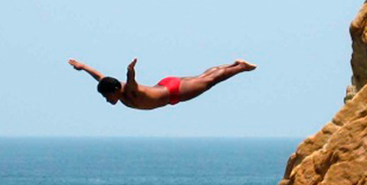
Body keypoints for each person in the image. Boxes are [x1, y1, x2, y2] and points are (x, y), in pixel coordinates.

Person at [68, 58, 255, 110]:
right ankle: (234, 64)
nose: (106, 100)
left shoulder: (130, 91)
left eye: (107, 96)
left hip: (174, 91)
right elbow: (99, 76)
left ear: (116, 90)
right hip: (164, 85)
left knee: (209, 80)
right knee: (204, 76)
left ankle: (241, 67)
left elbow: (131, 80)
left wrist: (130, 70)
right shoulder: (113, 86)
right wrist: (82, 67)